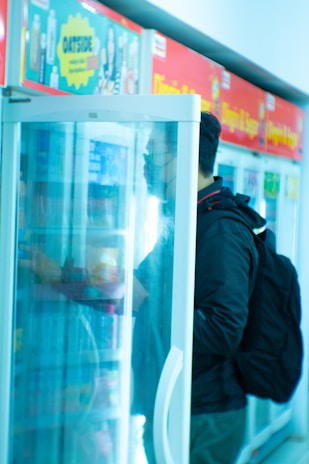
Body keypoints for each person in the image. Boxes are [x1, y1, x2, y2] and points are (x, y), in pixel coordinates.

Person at [190, 112, 265, 463]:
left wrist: (154, 304)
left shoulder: (220, 231)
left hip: (208, 412)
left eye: (152, 155)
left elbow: (223, 330)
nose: (146, 167)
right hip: (192, 405)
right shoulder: (193, 218)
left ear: (185, 153)